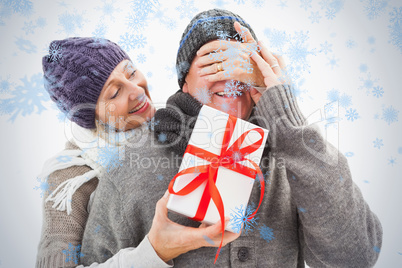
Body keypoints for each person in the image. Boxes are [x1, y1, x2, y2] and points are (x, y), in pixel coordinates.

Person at [81, 9, 383, 267]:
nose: (229, 76)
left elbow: (356, 256)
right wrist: (154, 252)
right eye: (213, 62)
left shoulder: (296, 158)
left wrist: (287, 119)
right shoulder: (131, 162)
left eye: (242, 64)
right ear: (185, 82)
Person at [36, 37, 157, 267]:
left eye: (130, 73)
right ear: (92, 117)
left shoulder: (170, 126)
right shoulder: (70, 179)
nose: (136, 90)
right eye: (114, 93)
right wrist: (152, 254)